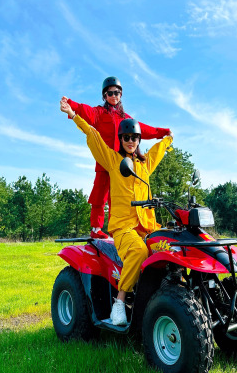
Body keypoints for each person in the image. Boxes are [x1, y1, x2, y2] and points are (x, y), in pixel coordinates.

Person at [60, 98, 173, 326]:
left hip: (149, 227)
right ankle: (120, 302)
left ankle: (167, 299)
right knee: (139, 252)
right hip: (123, 228)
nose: (130, 141)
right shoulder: (113, 161)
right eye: (126, 137)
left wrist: (168, 138)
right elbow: (93, 135)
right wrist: (74, 116)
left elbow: (158, 150)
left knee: (174, 249)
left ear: (139, 140)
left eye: (134, 138)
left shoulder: (144, 164)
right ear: (121, 139)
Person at [60, 76, 170, 240]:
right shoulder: (99, 113)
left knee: (118, 198)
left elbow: (143, 129)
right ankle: (96, 228)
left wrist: (162, 132)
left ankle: (117, 228)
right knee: (99, 194)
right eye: (110, 93)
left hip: (122, 161)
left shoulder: (125, 118)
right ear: (104, 95)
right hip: (105, 158)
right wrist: (70, 104)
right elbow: (84, 110)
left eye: (117, 93)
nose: (114, 96)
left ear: (121, 95)